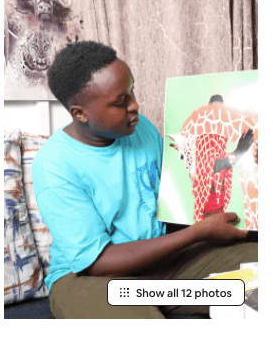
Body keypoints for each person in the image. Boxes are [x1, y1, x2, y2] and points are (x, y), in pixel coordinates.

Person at [33, 41, 256, 319]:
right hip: (91, 278)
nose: (134, 105)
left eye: (132, 90)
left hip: (168, 266)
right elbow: (96, 261)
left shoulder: (140, 128)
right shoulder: (54, 165)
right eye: (120, 101)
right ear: (80, 113)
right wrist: (198, 232)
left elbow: (175, 200)